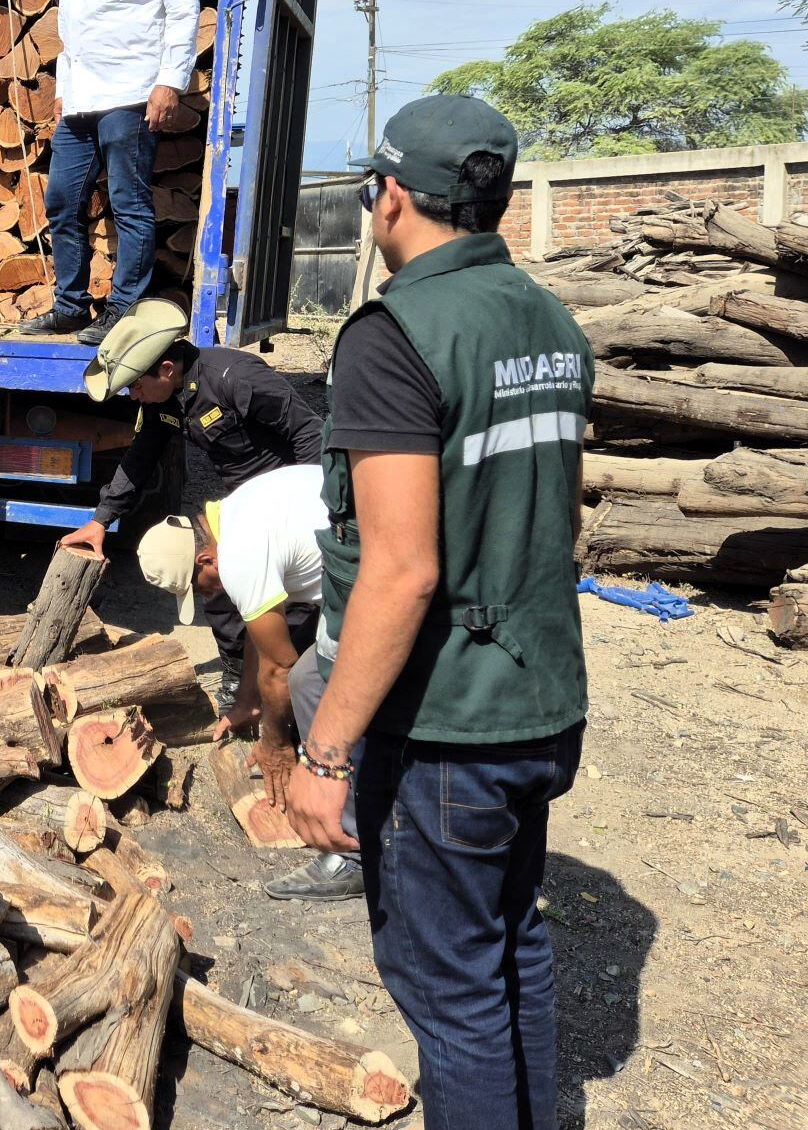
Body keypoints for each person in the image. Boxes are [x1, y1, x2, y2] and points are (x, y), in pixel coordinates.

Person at [283, 95, 594, 1130]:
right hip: (539, 703)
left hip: (447, 726)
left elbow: (400, 569)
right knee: (510, 946)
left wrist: (324, 752)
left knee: (446, 986)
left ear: (388, 199)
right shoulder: (544, 316)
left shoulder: (394, 333)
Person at [65, 297, 322, 706]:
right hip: (241, 503)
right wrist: (101, 519)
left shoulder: (235, 378)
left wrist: (320, 509)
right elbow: (142, 455)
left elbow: (310, 434)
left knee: (290, 616)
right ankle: (240, 682)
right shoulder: (163, 399)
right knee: (214, 588)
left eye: (135, 385)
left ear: (166, 369)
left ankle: (289, 701)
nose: (133, 395)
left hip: (289, 504)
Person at [137, 464, 361, 901]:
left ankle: (353, 853)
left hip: (377, 572)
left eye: (199, 588)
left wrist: (276, 744)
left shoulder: (238, 555)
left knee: (309, 682)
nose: (206, 597)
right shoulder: (234, 511)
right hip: (364, 557)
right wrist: (247, 702)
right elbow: (264, 625)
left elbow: (279, 666)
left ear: (206, 559)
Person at [21, 0, 200, 347]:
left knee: (128, 202)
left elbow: (181, 3)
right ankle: (72, 305)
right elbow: (73, 18)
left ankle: (122, 310)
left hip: (131, 89)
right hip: (81, 97)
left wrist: (170, 80)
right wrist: (63, 84)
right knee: (61, 198)